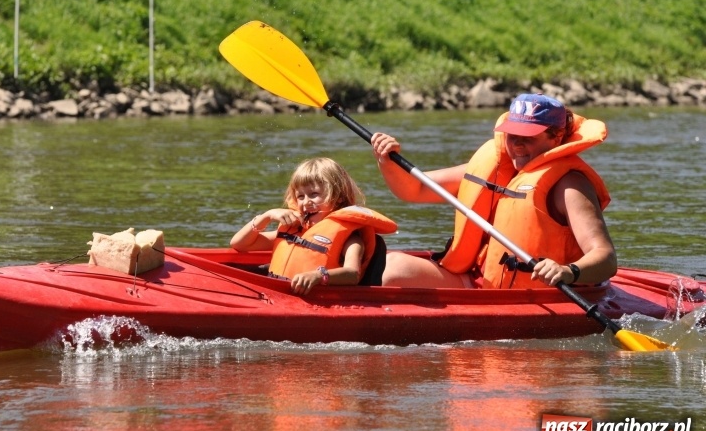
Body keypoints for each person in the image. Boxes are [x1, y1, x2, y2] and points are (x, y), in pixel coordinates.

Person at [370, 93, 617, 290]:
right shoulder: (496, 168)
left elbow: (605, 257)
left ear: (557, 137)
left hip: (538, 294)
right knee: (391, 265)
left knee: (393, 272)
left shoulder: (569, 184)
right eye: (512, 135)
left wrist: (569, 271)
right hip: (480, 280)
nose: (517, 145)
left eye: (528, 137)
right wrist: (387, 161)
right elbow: (416, 189)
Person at [230, 157, 397, 295]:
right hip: (276, 293)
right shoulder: (293, 229)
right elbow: (240, 244)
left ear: (338, 197)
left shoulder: (351, 239)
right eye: (300, 196)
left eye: (314, 194)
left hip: (320, 299)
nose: (306, 202)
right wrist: (265, 217)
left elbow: (352, 274)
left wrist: (319, 275)